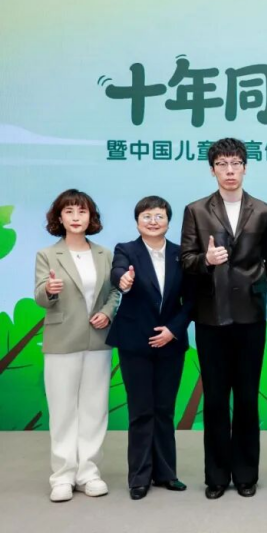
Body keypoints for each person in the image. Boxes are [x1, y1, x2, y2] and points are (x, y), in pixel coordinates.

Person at [180, 138, 267, 499]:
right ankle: (216, 476)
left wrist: (255, 287)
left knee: (247, 398)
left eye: (235, 163)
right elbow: (186, 261)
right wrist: (206, 261)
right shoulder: (196, 210)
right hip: (211, 317)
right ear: (212, 170)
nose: (229, 171)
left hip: (250, 317)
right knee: (215, 400)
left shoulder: (265, 211)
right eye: (222, 164)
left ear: (245, 167)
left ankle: (246, 474)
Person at [34, 189, 120, 502]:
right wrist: (50, 288)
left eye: (81, 211)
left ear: (90, 217)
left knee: (94, 408)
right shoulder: (47, 254)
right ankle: (62, 476)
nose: (75, 217)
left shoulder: (104, 254)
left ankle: (89, 473)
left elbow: (114, 292)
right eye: (68, 211)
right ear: (59, 217)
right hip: (62, 340)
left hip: (98, 340)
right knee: (62, 410)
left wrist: (107, 312)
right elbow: (40, 296)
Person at [107, 196, 193, 500]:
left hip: (171, 342)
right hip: (135, 342)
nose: (153, 221)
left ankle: (166, 473)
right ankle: (139, 477)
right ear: (137, 222)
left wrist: (173, 330)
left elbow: (192, 298)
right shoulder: (126, 250)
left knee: (165, 410)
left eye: (159, 216)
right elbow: (118, 272)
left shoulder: (181, 254)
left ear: (168, 221)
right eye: (146, 216)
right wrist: (124, 280)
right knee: (141, 411)